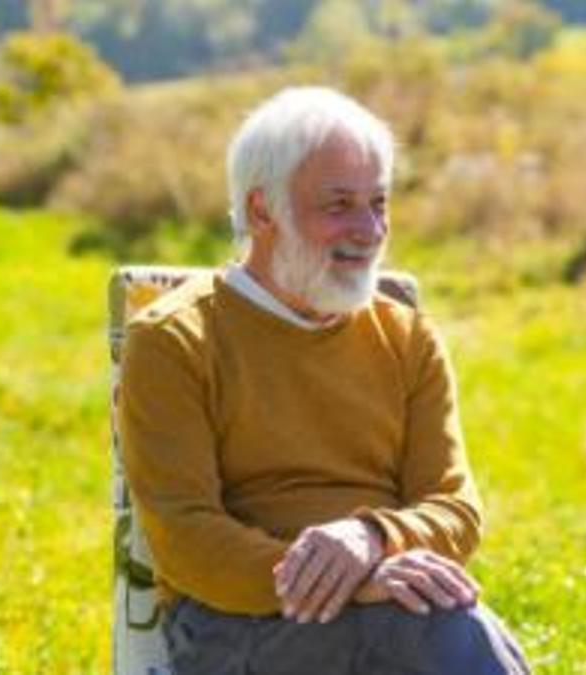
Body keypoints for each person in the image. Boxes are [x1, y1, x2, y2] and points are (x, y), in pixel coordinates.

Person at [119, 87, 529, 675]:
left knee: (450, 628)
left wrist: (370, 539)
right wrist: (349, 580)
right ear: (263, 211)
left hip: (396, 609)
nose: (368, 229)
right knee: (448, 635)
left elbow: (455, 508)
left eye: (379, 203)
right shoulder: (174, 339)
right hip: (238, 623)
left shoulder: (407, 338)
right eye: (338, 206)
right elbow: (186, 538)